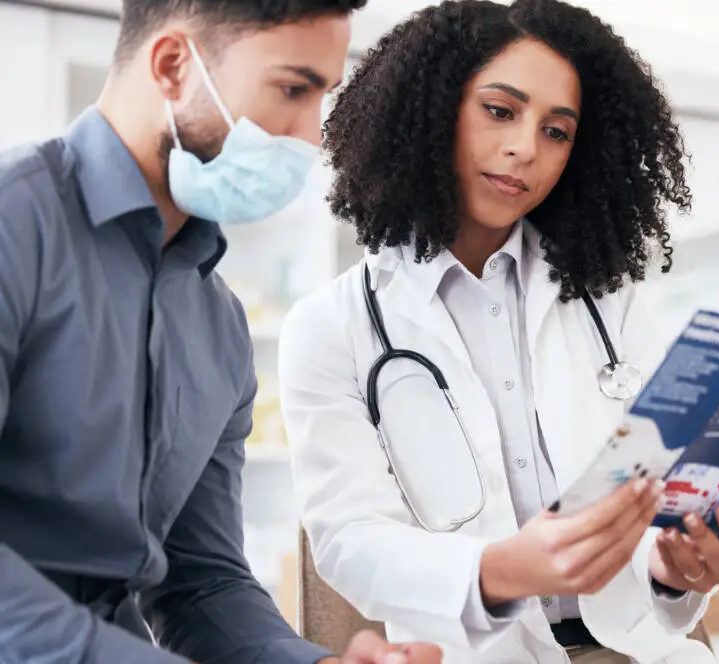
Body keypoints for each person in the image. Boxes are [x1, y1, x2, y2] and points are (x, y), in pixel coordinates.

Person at [278, 1, 719, 662]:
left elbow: (652, 501)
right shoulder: (332, 327)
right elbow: (351, 540)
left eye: (557, 131)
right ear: (434, 110)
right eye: (500, 111)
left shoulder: (610, 305)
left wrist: (675, 571)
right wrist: (503, 570)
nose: (526, 148)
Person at [0, 1, 442, 663]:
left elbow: (199, 582)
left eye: (323, 96)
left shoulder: (218, 326)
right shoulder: (16, 227)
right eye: (293, 90)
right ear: (174, 65)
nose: (312, 135)